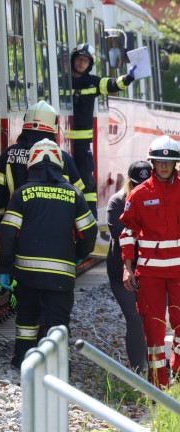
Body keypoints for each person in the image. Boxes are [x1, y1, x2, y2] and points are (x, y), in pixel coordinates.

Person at [0, 139, 97, 368]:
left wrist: (4, 269)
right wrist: (77, 255)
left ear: (31, 164)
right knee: (58, 323)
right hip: (61, 275)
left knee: (27, 320)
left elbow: (8, 235)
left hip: (27, 274)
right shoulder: (74, 195)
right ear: (60, 165)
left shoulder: (22, 194)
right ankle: (59, 366)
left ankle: (22, 360)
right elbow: (89, 233)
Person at [120, 136, 180, 389]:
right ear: (152, 162)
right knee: (154, 332)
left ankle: (177, 375)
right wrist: (127, 267)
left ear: (175, 163)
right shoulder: (139, 194)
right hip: (150, 273)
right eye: (159, 162)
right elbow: (127, 234)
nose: (164, 166)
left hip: (179, 272)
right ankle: (159, 386)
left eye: (169, 162)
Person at [66, 43, 137, 218]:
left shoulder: (93, 82)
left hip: (82, 143)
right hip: (61, 139)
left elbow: (113, 84)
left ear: (89, 65)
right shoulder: (60, 81)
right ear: (73, 60)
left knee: (86, 181)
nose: (81, 63)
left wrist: (128, 78)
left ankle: (90, 217)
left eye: (85, 61)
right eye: (79, 59)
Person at [0, 100, 84, 232]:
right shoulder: (63, 158)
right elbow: (79, 195)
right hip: (56, 229)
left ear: (25, 124)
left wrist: (0, 217)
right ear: (53, 127)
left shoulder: (8, 154)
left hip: (16, 228)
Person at [106, 161, 150, 375]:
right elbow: (123, 236)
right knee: (135, 318)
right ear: (129, 183)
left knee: (152, 318)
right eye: (136, 184)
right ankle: (138, 371)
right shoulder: (117, 202)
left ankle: (155, 368)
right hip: (121, 271)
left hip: (153, 269)